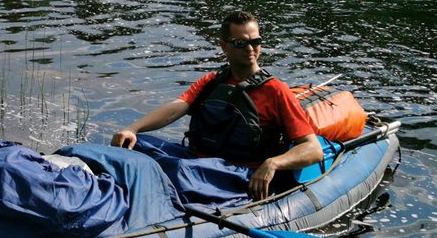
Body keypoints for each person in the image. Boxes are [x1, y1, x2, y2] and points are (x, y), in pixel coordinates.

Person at [110, 11, 321, 200]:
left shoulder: (276, 91)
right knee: (135, 145)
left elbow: (313, 149)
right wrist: (132, 129)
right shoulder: (212, 82)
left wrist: (273, 163)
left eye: (255, 41)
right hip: (199, 162)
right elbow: (176, 108)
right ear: (224, 46)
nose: (250, 48)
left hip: (240, 173)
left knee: (180, 170)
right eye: (240, 43)